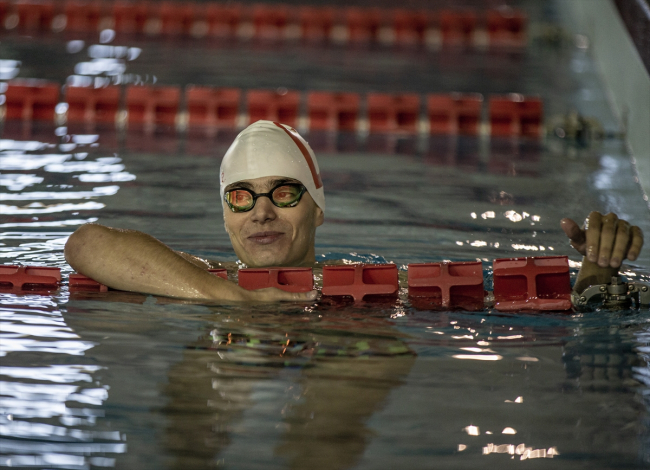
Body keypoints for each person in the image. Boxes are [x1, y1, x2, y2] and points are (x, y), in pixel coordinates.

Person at [64, 120, 644, 303]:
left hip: (348, 343)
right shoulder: (204, 278)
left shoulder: (371, 287)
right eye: (242, 196)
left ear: (318, 211)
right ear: (224, 215)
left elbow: (505, 300)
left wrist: (594, 280)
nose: (261, 212)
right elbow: (85, 243)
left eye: (284, 193)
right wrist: (233, 299)